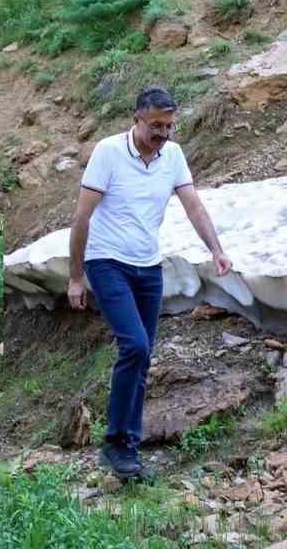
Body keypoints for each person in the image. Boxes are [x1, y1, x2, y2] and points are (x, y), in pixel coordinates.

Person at [68, 86, 232, 482]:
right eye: (156, 125)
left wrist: (216, 249)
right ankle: (115, 442)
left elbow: (193, 204)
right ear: (136, 118)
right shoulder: (108, 152)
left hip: (147, 267)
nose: (163, 133)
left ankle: (128, 448)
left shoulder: (172, 155)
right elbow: (81, 218)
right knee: (135, 345)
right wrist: (75, 277)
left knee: (143, 358)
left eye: (170, 125)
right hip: (107, 263)